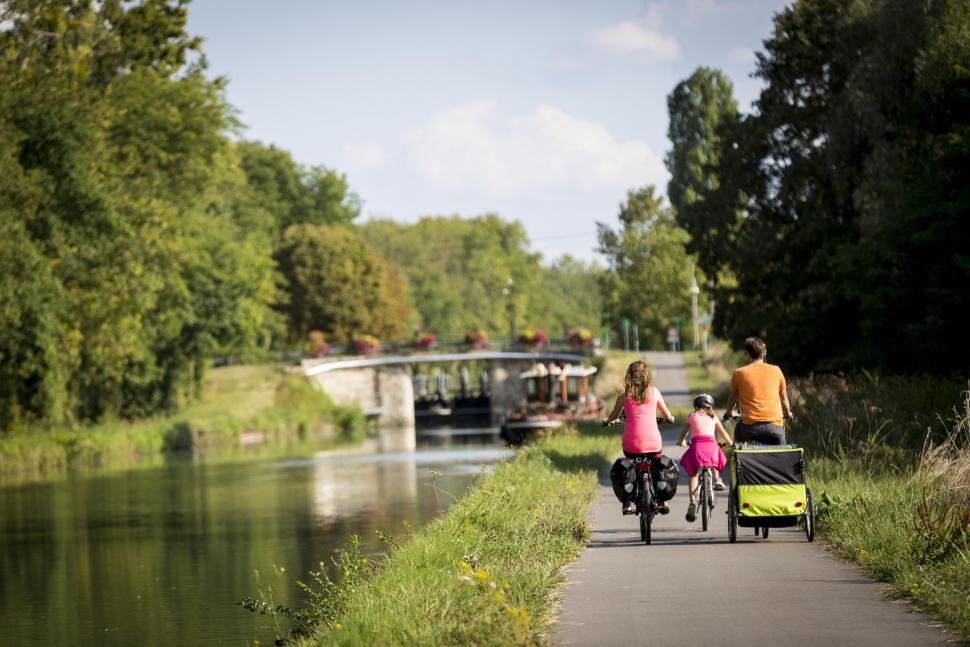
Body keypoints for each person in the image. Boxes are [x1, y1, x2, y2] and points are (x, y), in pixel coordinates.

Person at [603, 360, 674, 514]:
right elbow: (668, 415)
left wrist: (607, 422)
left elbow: (614, 414)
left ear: (630, 374)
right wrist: (670, 419)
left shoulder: (625, 392)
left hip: (631, 443)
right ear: (646, 374)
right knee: (656, 463)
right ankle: (662, 500)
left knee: (630, 466)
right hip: (653, 442)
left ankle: (627, 502)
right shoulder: (654, 392)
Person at [722, 337, 793, 445]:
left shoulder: (738, 373)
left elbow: (732, 398)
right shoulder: (776, 370)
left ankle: (737, 458)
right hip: (775, 428)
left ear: (747, 354)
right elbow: (783, 398)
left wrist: (728, 413)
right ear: (764, 353)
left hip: (749, 428)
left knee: (738, 435)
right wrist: (788, 414)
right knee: (781, 450)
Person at [677, 394, 733, 522]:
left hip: (697, 447)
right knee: (714, 460)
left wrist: (681, 442)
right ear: (710, 406)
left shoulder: (691, 417)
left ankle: (692, 502)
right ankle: (717, 479)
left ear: (696, 406)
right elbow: (723, 433)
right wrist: (731, 444)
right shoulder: (713, 417)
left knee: (693, 474)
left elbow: (683, 435)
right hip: (711, 446)